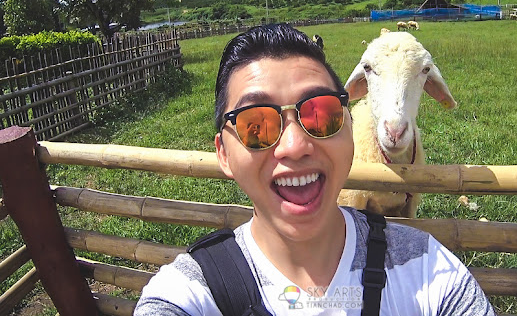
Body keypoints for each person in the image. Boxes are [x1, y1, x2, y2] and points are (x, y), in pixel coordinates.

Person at [134, 23, 496, 316]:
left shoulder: (431, 271)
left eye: (320, 114)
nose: (294, 147)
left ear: (350, 128)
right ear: (224, 155)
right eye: (255, 123)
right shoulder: (195, 290)